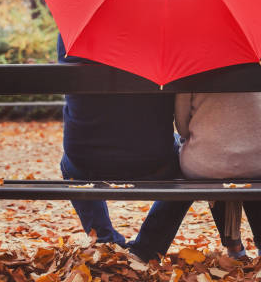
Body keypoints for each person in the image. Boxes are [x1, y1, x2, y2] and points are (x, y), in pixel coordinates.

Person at [57, 34, 191, 261]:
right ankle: (147, 249)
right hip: (152, 160)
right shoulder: (163, 34)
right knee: (189, 166)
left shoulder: (73, 33)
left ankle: (104, 239)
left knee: (68, 163)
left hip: (85, 160)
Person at [174, 31, 261, 260]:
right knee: (253, 159)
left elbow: (182, 124)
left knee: (215, 158)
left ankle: (234, 248)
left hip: (207, 164)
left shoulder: (189, 50)